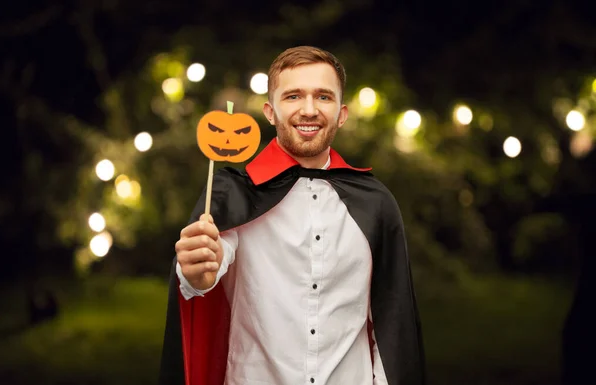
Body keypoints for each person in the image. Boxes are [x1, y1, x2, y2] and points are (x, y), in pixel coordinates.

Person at [159, 46, 425, 385]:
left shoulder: (376, 203)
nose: (309, 110)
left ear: (342, 113)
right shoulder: (236, 192)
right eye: (293, 96)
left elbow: (392, 320)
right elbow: (207, 267)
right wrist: (196, 271)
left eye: (324, 97)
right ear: (270, 111)